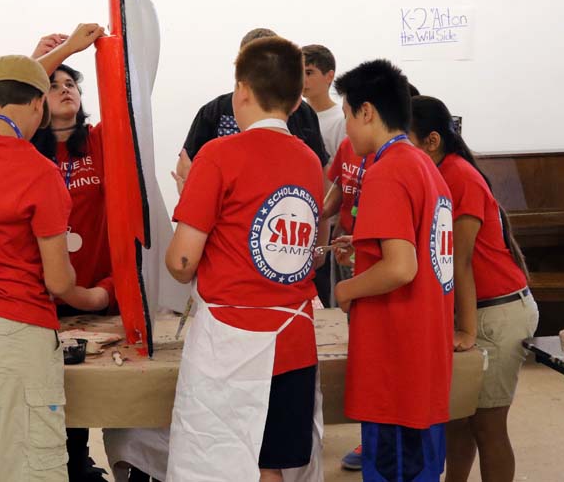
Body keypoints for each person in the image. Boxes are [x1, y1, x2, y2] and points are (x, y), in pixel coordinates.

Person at [0, 47, 108, 482]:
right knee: (31, 464)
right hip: (12, 329)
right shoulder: (38, 171)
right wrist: (99, 294)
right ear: (36, 104)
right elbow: (57, 280)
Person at [165, 36, 328, 482]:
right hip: (293, 334)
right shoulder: (311, 161)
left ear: (241, 90)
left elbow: (181, 260)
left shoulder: (218, 155)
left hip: (232, 341)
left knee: (226, 465)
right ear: (298, 99)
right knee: (273, 464)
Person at [332, 60, 454, 482]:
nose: (346, 129)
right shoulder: (423, 166)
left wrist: (347, 289)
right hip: (422, 360)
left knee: (395, 471)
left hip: (396, 364)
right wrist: (364, 251)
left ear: (367, 111)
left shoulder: (387, 171)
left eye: (347, 115)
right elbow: (408, 250)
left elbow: (401, 268)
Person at [409, 95, 537, 482]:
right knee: (458, 420)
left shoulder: (458, 176)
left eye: (405, 140)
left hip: (495, 314)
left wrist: (464, 330)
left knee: (487, 426)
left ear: (432, 141)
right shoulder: (440, 173)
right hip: (476, 309)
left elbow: (458, 261)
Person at [31, 60, 114, 482]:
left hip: (98, 292)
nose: (65, 90)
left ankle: (100, 463)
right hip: (43, 297)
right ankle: (72, 464)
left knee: (101, 387)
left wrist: (103, 290)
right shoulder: (28, 151)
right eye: (52, 85)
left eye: (71, 84)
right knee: (54, 390)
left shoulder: (100, 140)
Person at [172, 28, 329, 193]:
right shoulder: (214, 110)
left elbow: (320, 168)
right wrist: (194, 194)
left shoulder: (303, 113)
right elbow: (185, 164)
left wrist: (320, 212)